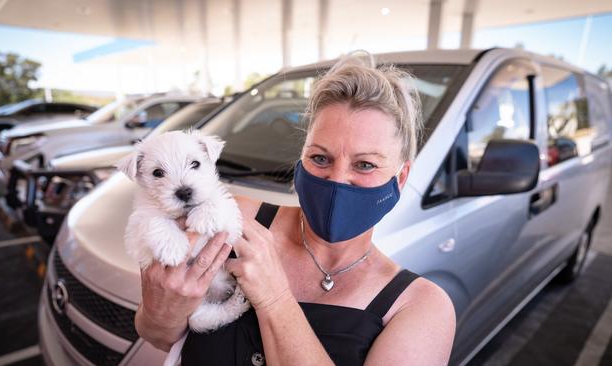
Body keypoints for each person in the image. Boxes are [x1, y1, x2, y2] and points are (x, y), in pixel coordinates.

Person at [134, 54, 456, 365]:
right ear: (301, 158)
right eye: (320, 158)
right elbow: (156, 332)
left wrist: (275, 300)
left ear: (400, 178)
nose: (338, 179)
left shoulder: (420, 307)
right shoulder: (232, 219)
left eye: (365, 164)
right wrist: (164, 310)